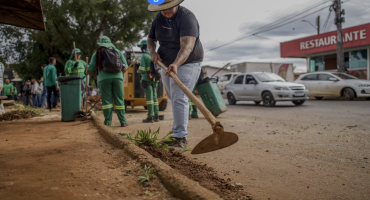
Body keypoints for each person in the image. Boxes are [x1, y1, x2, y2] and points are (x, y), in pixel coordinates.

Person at [147, 0, 204, 147]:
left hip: (187, 62)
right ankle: (177, 134)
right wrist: (153, 52)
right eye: (162, 9)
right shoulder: (158, 19)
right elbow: (151, 39)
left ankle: (180, 138)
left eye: (169, 8)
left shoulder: (187, 17)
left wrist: (176, 64)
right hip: (165, 64)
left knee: (179, 97)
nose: (166, 12)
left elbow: (187, 46)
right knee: (174, 98)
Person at [87, 36, 128, 127]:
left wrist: (87, 71)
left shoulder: (97, 53)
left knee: (107, 101)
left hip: (104, 78)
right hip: (118, 78)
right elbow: (125, 65)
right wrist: (122, 70)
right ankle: (123, 121)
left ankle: (108, 122)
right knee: (119, 99)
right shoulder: (117, 51)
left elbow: (91, 67)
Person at [137, 40, 160, 123]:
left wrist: (138, 71)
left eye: (141, 46)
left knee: (149, 98)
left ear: (144, 46)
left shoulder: (144, 56)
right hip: (155, 78)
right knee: (155, 97)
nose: (140, 48)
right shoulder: (155, 54)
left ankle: (150, 117)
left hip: (147, 79)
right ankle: (156, 116)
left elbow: (142, 68)